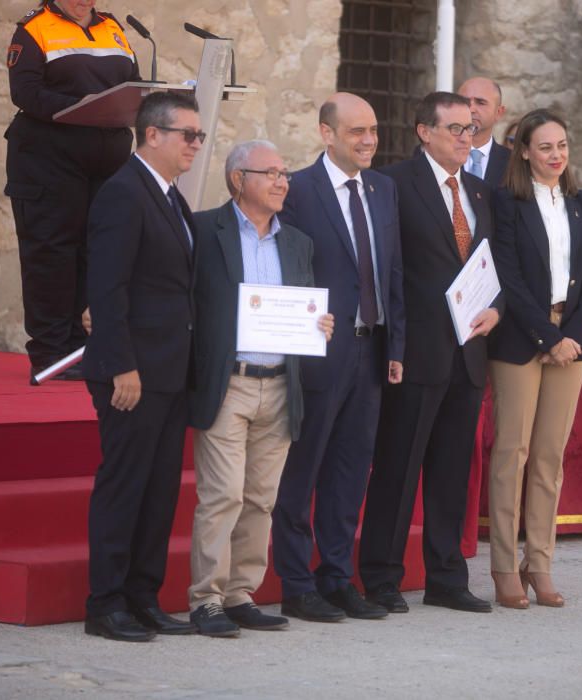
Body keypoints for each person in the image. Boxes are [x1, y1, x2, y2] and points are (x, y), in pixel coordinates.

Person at [360, 92, 503, 614]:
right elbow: (384, 267)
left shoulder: (483, 194)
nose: (466, 138)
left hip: (468, 353)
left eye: (470, 129)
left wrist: (499, 309)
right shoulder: (393, 185)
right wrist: (392, 343)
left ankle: (446, 578)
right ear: (424, 132)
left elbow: (494, 266)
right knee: (398, 468)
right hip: (415, 352)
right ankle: (381, 577)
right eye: (455, 130)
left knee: (450, 472)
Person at [186, 140, 334, 637]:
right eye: (268, 173)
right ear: (237, 180)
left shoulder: (297, 242)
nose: (281, 181)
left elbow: (300, 310)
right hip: (229, 383)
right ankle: (206, 599)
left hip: (279, 385)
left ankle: (240, 594)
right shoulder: (206, 230)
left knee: (260, 499)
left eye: (284, 173)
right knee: (222, 495)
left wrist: (320, 324)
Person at [271, 92, 405, 623]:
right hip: (318, 352)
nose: (369, 140)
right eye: (356, 132)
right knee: (301, 472)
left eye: (373, 130)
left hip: (370, 350)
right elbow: (283, 268)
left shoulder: (383, 188)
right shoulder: (298, 190)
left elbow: (391, 271)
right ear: (327, 134)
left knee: (351, 471)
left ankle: (335, 577)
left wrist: (396, 344)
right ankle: (296, 584)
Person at [83, 91, 204, 641]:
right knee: (125, 486)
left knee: (158, 491)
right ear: (152, 135)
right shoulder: (124, 194)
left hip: (170, 371)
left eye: (199, 136)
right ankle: (105, 604)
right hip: (132, 374)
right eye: (188, 135)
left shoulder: (172, 198)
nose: (196, 145)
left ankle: (143, 597)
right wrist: (121, 366)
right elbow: (107, 289)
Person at [488, 109, 582, 609]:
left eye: (562, 146)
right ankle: (502, 568)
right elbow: (508, 279)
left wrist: (571, 336)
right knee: (512, 455)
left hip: (569, 342)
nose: (556, 155)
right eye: (545, 147)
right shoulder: (506, 203)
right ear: (525, 152)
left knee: (550, 458)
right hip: (519, 339)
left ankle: (539, 564)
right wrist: (546, 337)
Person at [5, 0, 140, 380]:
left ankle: (84, 349)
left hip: (108, 160)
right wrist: (79, 106)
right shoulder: (34, 28)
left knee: (96, 250)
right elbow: (25, 92)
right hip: (49, 160)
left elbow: (132, 83)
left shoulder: (113, 27)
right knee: (52, 252)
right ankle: (51, 351)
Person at [457, 77, 510, 188]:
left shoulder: (514, 164)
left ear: (499, 112)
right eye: (465, 102)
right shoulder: (439, 155)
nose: (471, 109)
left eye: (480, 103)